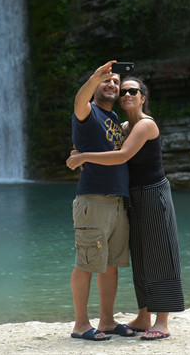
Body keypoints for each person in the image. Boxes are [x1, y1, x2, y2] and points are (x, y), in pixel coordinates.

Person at [66, 76, 185, 341]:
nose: (127, 94)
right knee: (140, 257)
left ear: (144, 98)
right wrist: (81, 149)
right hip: (128, 196)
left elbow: (121, 156)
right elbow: (100, 141)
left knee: (159, 254)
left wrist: (83, 156)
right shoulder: (120, 126)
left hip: (153, 195)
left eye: (134, 90)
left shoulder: (144, 125)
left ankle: (162, 321)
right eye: (125, 91)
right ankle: (143, 316)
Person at [68, 61, 133, 342]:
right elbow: (80, 99)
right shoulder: (88, 112)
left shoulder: (114, 118)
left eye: (115, 82)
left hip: (118, 201)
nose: (112, 85)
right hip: (93, 199)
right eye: (107, 80)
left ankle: (106, 320)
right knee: (86, 262)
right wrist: (95, 77)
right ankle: (81, 325)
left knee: (110, 264)